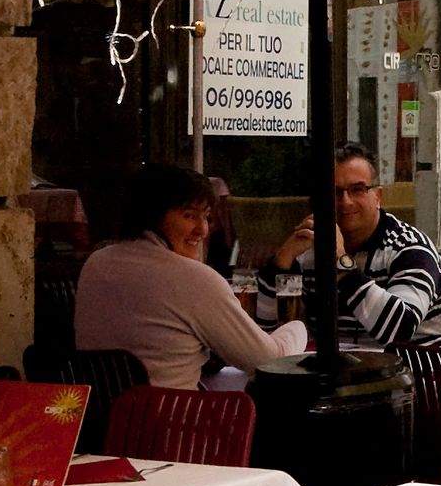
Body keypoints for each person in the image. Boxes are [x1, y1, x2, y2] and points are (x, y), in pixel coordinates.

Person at [75, 159, 296, 389]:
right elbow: (269, 362)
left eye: (206, 216)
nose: (202, 229)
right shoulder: (193, 279)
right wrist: (297, 328)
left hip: (98, 420)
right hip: (173, 421)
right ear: (153, 216)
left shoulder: (96, 264)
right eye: (189, 215)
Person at [273, 143, 441, 349]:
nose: (345, 202)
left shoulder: (410, 248)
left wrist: (341, 262)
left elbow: (400, 329)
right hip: (334, 377)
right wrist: (281, 263)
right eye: (335, 192)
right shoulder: (308, 249)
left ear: (378, 197)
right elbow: (267, 334)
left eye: (357, 190)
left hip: (413, 375)